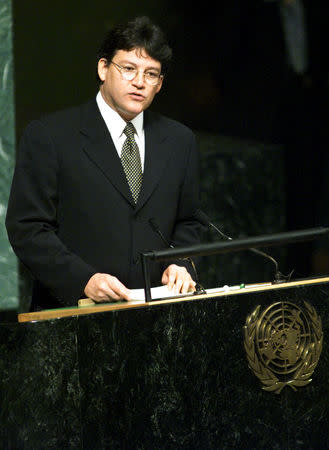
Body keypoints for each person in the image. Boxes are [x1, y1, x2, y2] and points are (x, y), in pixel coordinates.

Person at [6, 16, 201, 311]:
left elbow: (189, 220)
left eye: (151, 74)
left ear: (160, 84)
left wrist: (179, 263)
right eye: (129, 69)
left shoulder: (179, 140)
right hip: (74, 318)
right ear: (103, 68)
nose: (139, 82)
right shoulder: (50, 136)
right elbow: (28, 228)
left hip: (158, 317)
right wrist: (83, 280)